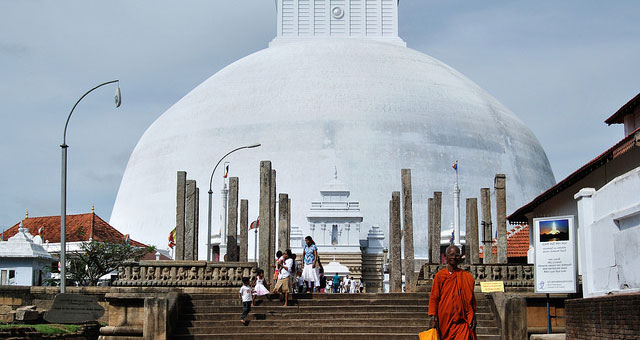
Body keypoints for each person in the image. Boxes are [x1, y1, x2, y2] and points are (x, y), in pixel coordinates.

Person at [428, 245, 477, 340]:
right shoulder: (440, 276)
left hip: (463, 321)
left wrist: (473, 316)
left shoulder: (467, 277)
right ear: (446, 257)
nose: (454, 257)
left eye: (457, 255)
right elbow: (434, 297)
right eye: (451, 255)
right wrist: (433, 316)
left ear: (460, 257)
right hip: (444, 319)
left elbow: (471, 299)